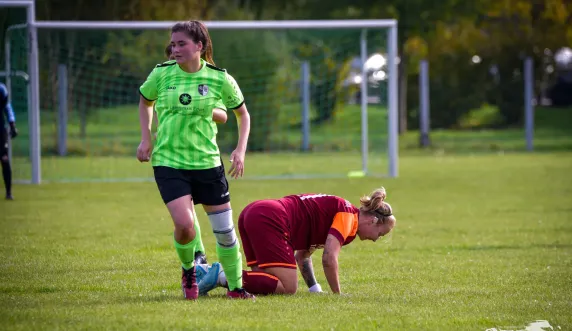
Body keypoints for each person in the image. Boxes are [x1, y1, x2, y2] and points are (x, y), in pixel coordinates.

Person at [137, 20, 254, 300]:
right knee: (185, 224)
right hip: (169, 161)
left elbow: (241, 115)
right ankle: (190, 269)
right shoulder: (161, 74)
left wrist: (239, 150)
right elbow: (145, 102)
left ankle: (237, 289)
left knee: (225, 233)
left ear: (199, 46)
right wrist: (146, 138)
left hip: (208, 163)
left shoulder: (219, 78)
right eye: (173, 44)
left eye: (181, 44)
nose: (174, 49)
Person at [198, 188, 396, 295]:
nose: (375, 240)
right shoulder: (348, 217)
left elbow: (302, 256)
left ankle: (207, 273)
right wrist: (338, 294)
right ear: (372, 220)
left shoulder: (345, 215)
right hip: (270, 218)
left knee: (268, 283)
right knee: (288, 287)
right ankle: (219, 275)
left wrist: (314, 288)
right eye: (380, 234)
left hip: (255, 211)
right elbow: (329, 258)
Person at [0, 83, 18, 200]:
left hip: (0, 130)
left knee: (4, 159)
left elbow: (7, 108)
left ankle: (8, 192)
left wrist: (12, 125)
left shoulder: (1, 89)